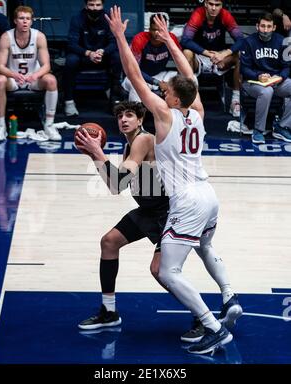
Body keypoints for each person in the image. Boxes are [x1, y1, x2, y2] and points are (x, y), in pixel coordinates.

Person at [105, 7, 242, 354]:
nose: (161, 92)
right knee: (205, 247)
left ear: (174, 99)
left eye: (166, 91)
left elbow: (134, 75)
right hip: (209, 194)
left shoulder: (165, 118)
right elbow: (188, 77)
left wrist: (121, 37)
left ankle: (212, 327)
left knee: (167, 272)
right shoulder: (197, 112)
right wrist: (170, 41)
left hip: (187, 200)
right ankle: (229, 294)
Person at [75, 100, 170, 330]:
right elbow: (115, 186)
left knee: (161, 272)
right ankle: (109, 312)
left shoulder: (144, 139)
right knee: (109, 242)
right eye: (120, 117)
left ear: (140, 120)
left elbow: (118, 183)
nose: (124, 120)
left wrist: (98, 152)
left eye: (129, 115)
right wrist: (93, 156)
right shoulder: (129, 145)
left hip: (166, 213)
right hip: (148, 210)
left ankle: (201, 316)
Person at [0, 6, 60, 142]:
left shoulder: (39, 36)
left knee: (51, 80)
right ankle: (0, 126)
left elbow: (46, 65)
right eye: (21, 18)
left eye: (28, 19)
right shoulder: (6, 37)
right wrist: (13, 74)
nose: (25, 22)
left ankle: (49, 125)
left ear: (32, 21)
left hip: (32, 79)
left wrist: (35, 75)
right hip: (13, 79)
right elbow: (0, 67)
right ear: (15, 21)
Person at [180, 0, 243, 118]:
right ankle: (189, 99)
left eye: (217, 5)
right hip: (200, 57)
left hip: (220, 58)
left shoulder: (225, 15)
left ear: (222, 5)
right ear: (205, 4)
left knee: (240, 54)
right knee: (186, 53)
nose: (214, 8)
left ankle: (235, 101)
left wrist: (224, 54)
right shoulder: (198, 14)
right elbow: (185, 40)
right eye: (211, 4)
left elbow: (241, 40)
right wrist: (208, 54)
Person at [63, 0, 123, 117]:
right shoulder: (77, 19)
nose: (95, 8)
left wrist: (103, 51)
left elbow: (114, 42)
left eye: (98, 5)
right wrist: (88, 53)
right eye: (91, 5)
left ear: (102, 6)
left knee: (116, 57)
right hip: (83, 56)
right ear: (85, 6)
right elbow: (72, 44)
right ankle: (68, 101)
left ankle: (115, 99)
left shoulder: (108, 19)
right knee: (70, 60)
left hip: (102, 56)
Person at [240, 12, 291, 144]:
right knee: (266, 91)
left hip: (275, 81)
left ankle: (281, 127)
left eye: (269, 26)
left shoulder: (283, 41)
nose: (266, 30)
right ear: (257, 27)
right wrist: (258, 76)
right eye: (263, 26)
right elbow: (244, 69)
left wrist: (281, 76)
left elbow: (287, 66)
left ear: (274, 28)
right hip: (252, 81)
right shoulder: (248, 42)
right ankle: (258, 130)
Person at [122, 13, 181, 102]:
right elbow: (133, 70)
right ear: (149, 29)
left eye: (161, 30)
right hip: (140, 76)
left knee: (184, 81)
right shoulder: (140, 39)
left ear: (166, 29)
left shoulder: (171, 39)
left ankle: (177, 114)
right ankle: (137, 113)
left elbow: (180, 62)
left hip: (161, 74)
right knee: (137, 86)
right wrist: (157, 83)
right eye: (154, 30)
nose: (157, 33)